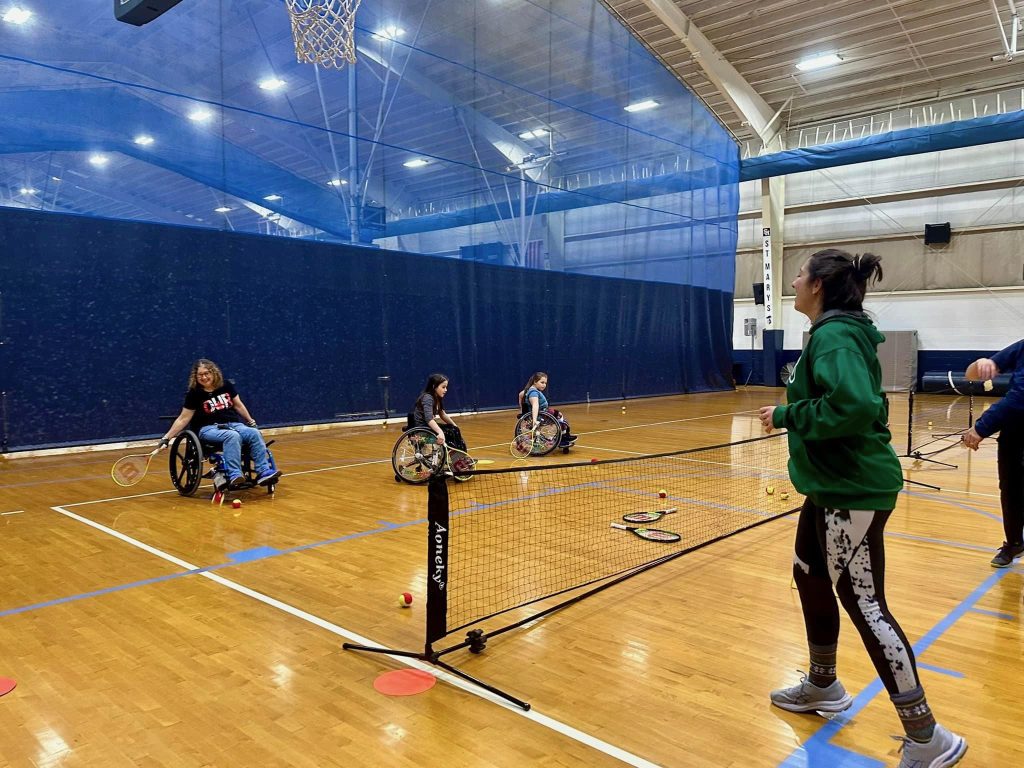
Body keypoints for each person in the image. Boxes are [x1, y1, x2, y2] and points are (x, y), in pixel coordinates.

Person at [757, 249, 966, 768]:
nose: (793, 281)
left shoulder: (834, 336)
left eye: (800, 274)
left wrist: (786, 414)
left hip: (851, 490)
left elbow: (852, 406)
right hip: (827, 488)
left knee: (866, 605)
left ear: (819, 285)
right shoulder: (833, 333)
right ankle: (823, 684)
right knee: (809, 574)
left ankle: (927, 737)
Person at [159, 359, 281, 489]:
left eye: (206, 373)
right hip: (208, 429)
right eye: (200, 375)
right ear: (195, 377)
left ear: (214, 373)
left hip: (232, 424)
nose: (204, 377)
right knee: (232, 436)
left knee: (254, 433)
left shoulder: (225, 385)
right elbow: (183, 418)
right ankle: (234, 474)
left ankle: (263, 471)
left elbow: (238, 405)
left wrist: (251, 422)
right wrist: (166, 438)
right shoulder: (194, 394)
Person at [962, 341, 1024, 567]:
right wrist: (982, 363)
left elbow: (1020, 397)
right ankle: (1014, 543)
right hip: (1014, 434)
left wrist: (982, 427)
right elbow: (970, 374)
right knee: (1010, 488)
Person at [518, 371, 576, 448]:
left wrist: (522, 410)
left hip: (542, 412)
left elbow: (520, 395)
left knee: (561, 418)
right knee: (559, 416)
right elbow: (535, 405)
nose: (544, 385)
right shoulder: (533, 393)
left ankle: (564, 435)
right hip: (541, 415)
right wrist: (534, 420)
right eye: (542, 382)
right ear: (535, 382)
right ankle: (562, 438)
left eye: (545, 383)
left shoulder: (529, 390)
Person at [411, 373, 466, 451]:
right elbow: (429, 419)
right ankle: (454, 456)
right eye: (443, 387)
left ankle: (460, 455)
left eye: (446, 387)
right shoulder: (427, 398)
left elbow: (442, 414)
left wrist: (455, 426)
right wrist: (440, 432)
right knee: (449, 433)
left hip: (428, 426)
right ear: (434, 386)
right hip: (422, 429)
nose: (446, 390)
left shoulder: (437, 397)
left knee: (455, 430)